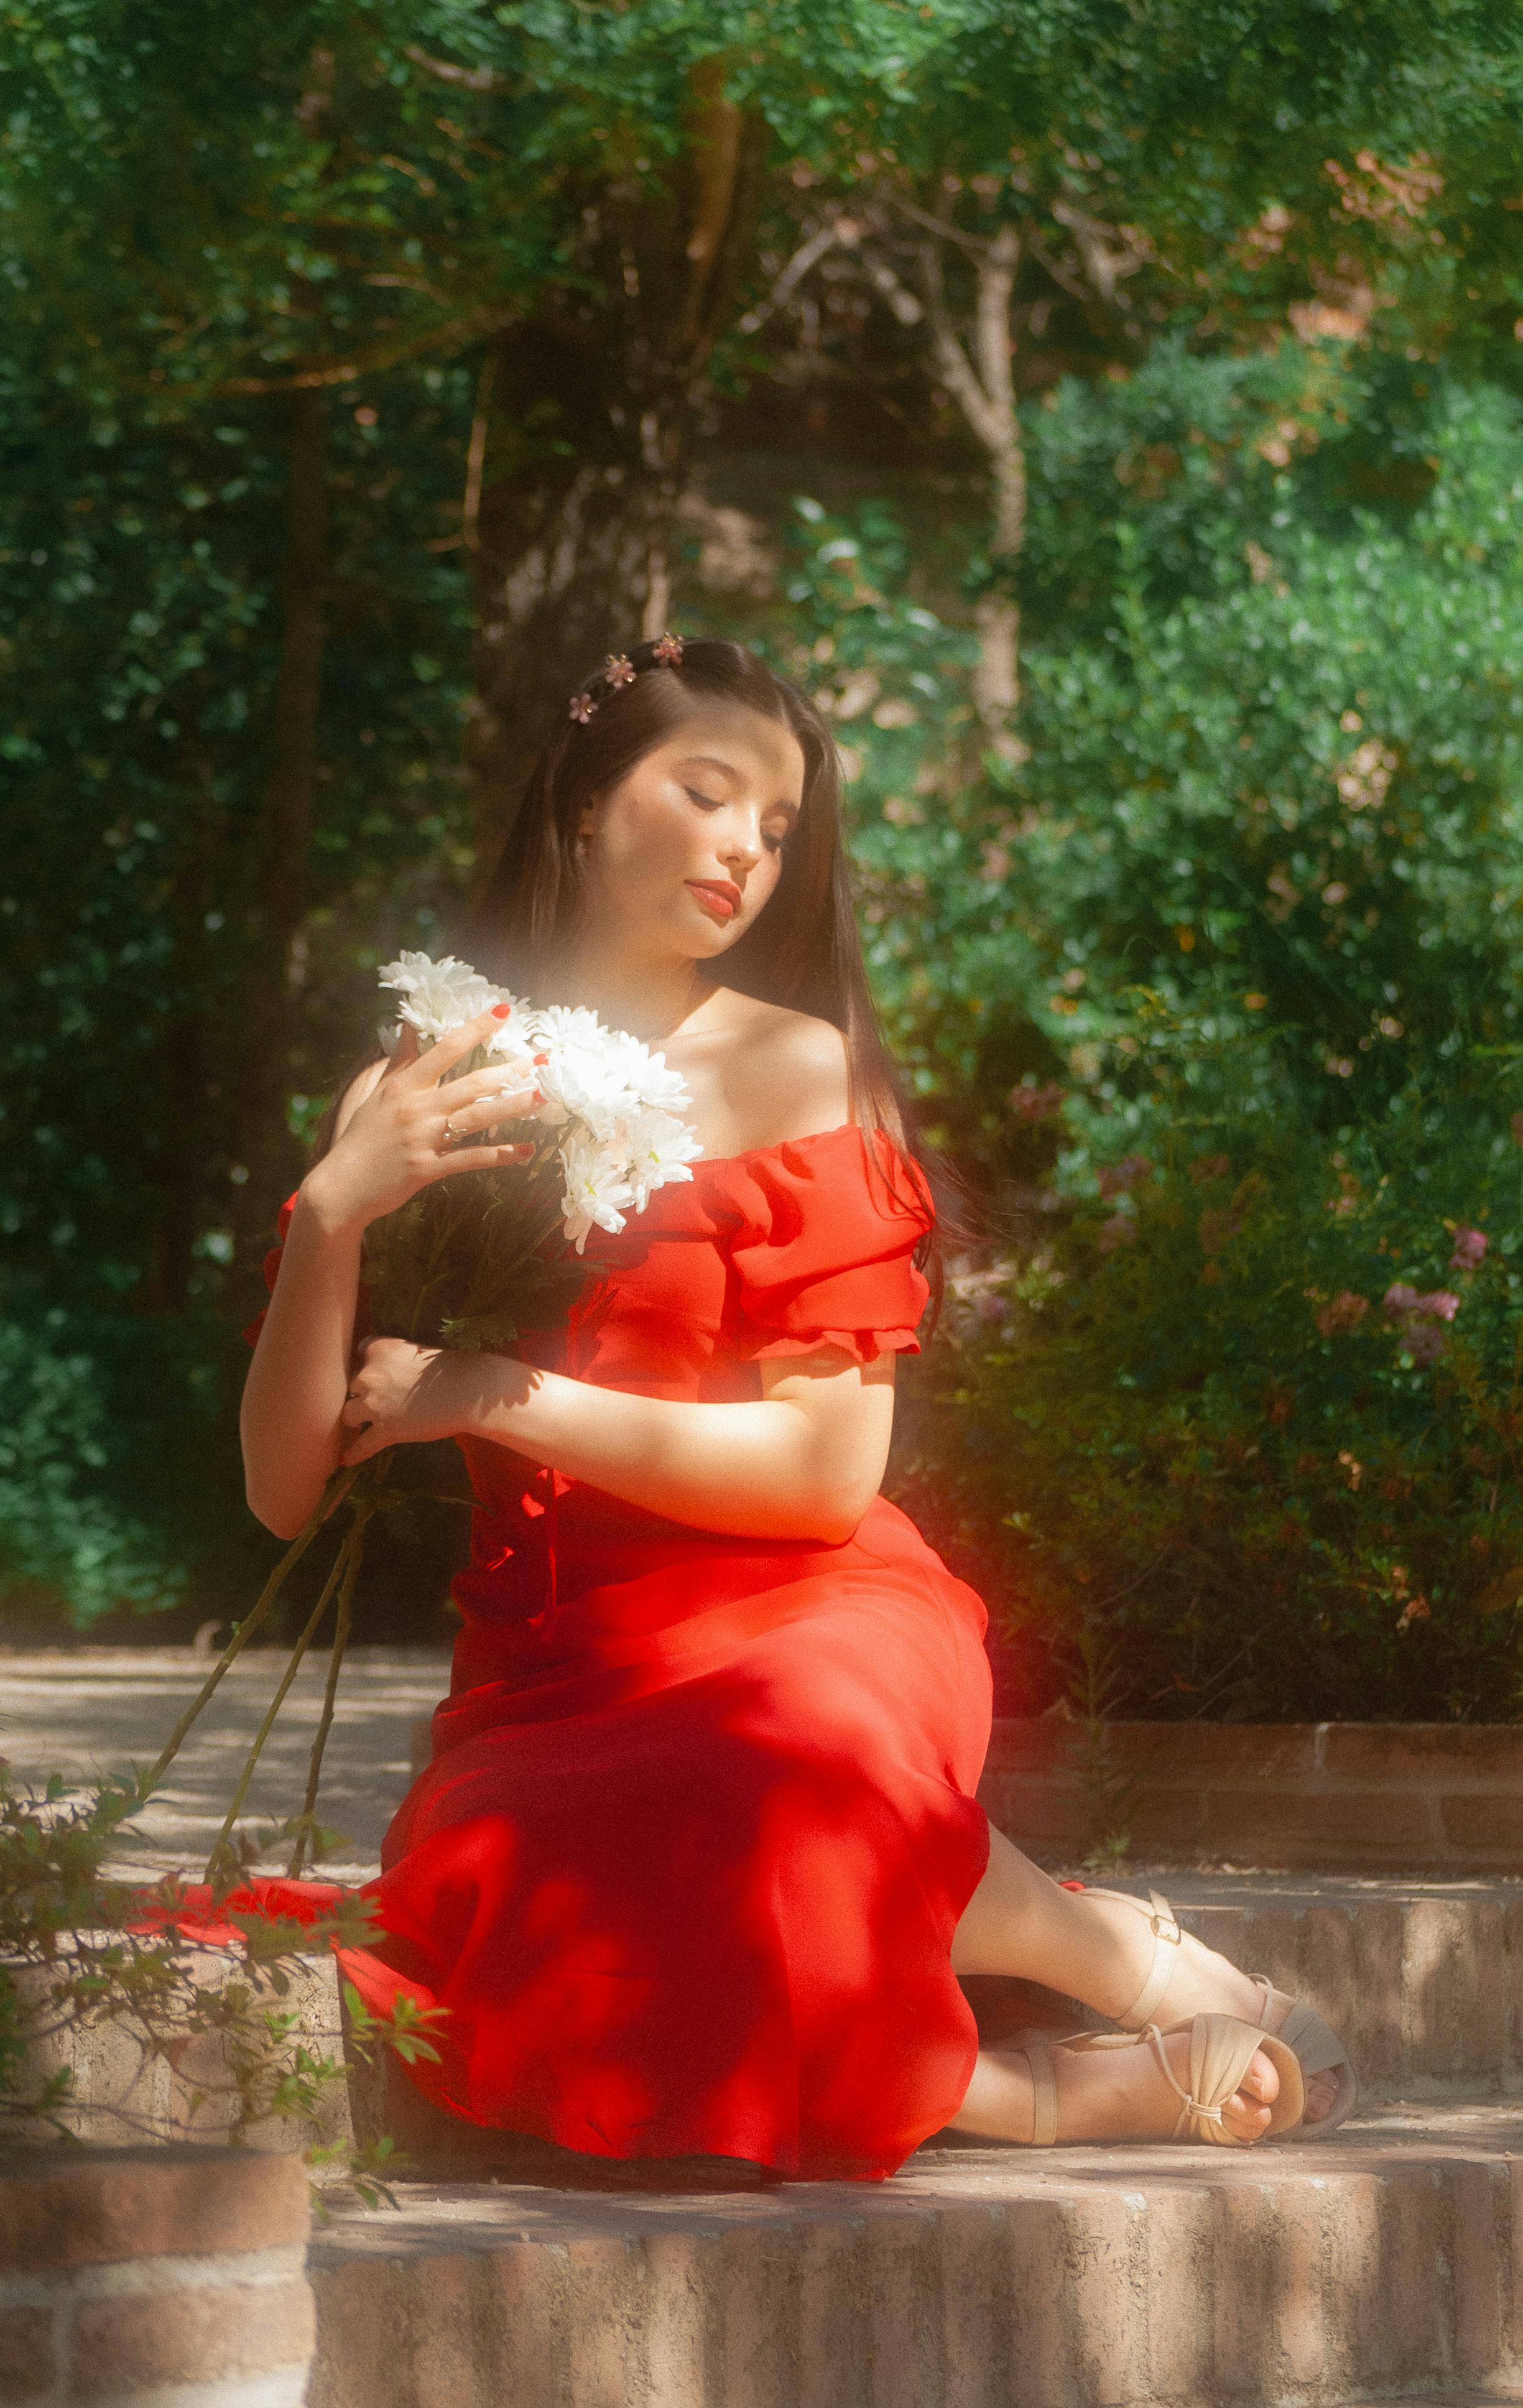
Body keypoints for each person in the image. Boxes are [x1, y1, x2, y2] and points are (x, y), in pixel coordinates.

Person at [239, 636, 1353, 2177]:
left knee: (771, 1768)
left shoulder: (794, 1066)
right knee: (551, 1894)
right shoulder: (416, 1083)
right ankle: (1045, 2091)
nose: (745, 852)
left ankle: (1118, 1966)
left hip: (803, 1607)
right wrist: (332, 1213)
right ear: (577, 801)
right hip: (553, 1668)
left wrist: (498, 1397)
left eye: (776, 828)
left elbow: (826, 1478)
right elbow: (287, 1489)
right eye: (705, 794)